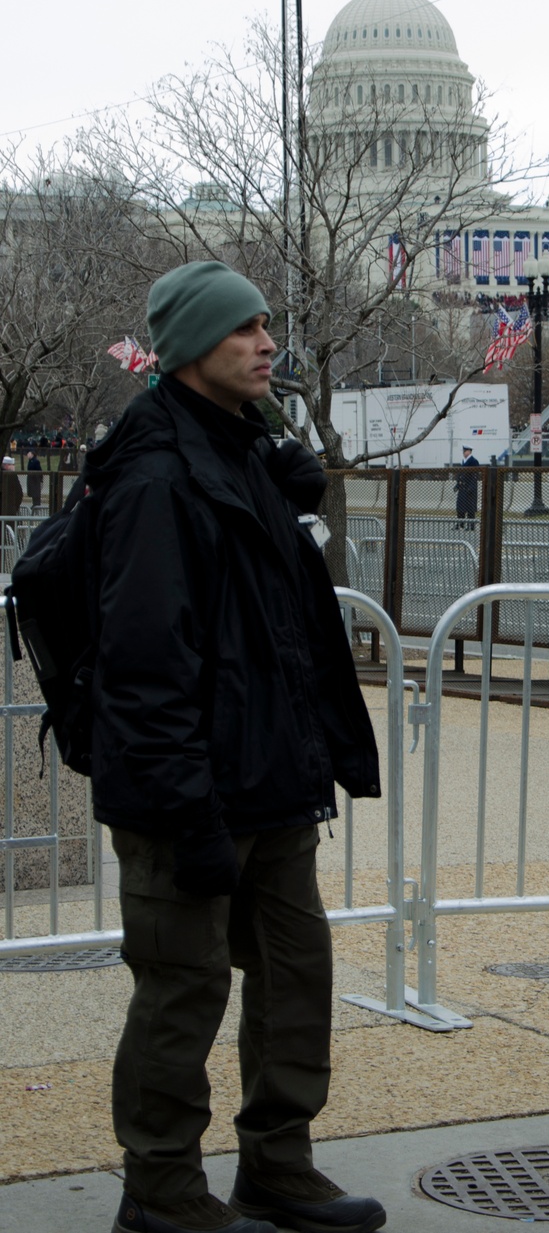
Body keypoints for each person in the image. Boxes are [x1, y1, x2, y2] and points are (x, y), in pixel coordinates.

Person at [88, 261, 386, 1233]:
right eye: (242, 330)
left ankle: (277, 1164)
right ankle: (163, 1189)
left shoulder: (240, 448)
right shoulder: (153, 474)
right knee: (183, 994)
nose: (267, 343)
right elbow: (144, 666)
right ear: (185, 353)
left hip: (273, 784)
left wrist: (281, 478)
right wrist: (186, 809)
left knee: (296, 978)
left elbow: (284, 629)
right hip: (194, 800)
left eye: (267, 325)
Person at [454, 445, 479, 529]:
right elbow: (460, 474)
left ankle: (471, 525)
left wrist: (471, 487)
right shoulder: (464, 461)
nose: (464, 453)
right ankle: (460, 524)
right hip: (462, 488)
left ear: (469, 451)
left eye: (465, 451)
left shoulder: (473, 461)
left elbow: (475, 476)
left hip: (469, 488)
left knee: (470, 508)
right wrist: (457, 485)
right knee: (460, 507)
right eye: (463, 451)